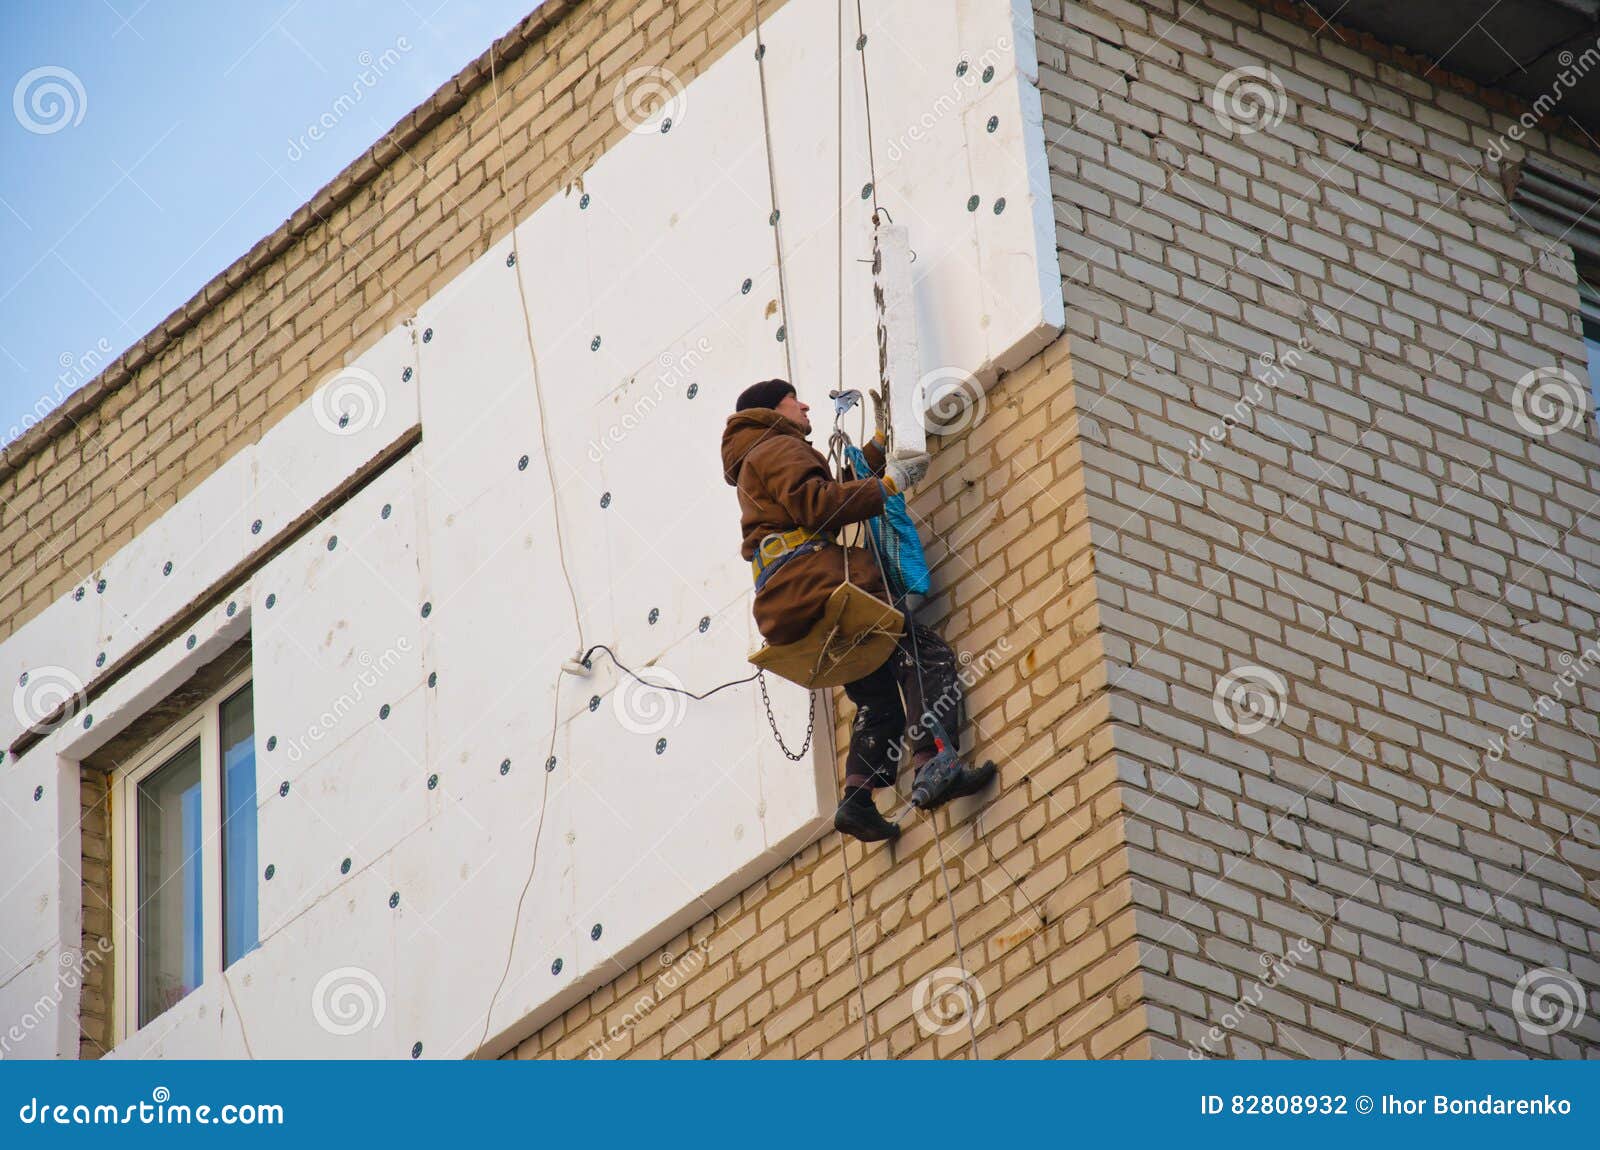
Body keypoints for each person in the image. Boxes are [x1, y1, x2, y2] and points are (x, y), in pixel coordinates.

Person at [720, 378, 996, 842]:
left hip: (796, 601)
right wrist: (887, 485)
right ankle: (935, 763)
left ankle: (857, 799)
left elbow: (817, 493)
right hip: (818, 584)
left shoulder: (758, 456)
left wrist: (872, 454)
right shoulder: (776, 446)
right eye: (794, 399)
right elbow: (817, 505)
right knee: (920, 653)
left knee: (876, 693)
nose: (805, 405)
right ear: (772, 410)